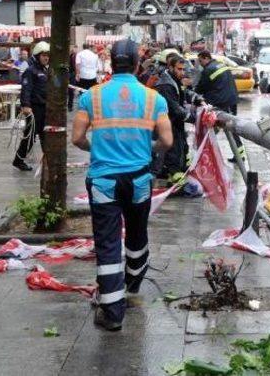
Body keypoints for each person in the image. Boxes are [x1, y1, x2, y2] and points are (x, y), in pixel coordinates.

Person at [71, 39, 173, 331]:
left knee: (107, 242)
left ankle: (112, 313)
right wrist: (145, 148)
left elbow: (77, 138)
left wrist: (98, 149)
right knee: (137, 234)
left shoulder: (92, 96)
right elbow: (167, 141)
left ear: (111, 64)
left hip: (104, 180)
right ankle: (133, 283)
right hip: (140, 179)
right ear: (138, 64)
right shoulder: (154, 98)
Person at [155, 55, 203, 186]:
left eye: (183, 69)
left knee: (181, 147)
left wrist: (197, 99)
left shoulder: (174, 80)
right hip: (168, 123)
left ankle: (176, 176)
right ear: (170, 67)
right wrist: (195, 118)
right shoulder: (166, 85)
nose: (182, 72)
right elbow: (174, 108)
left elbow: (185, 92)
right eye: (179, 69)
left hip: (175, 122)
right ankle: (175, 177)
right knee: (173, 150)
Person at [195, 50, 245, 163]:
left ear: (206, 57)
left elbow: (201, 87)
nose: (200, 63)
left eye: (200, 60)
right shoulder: (221, 64)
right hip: (232, 99)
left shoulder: (208, 70)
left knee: (211, 127)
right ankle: (239, 154)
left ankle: (205, 155)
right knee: (231, 126)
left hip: (221, 102)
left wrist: (193, 94)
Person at [13, 41, 50, 172]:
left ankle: (49, 161)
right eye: (43, 55)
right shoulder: (31, 71)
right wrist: (26, 106)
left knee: (46, 136)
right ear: (37, 56)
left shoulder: (45, 70)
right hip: (34, 109)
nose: (46, 57)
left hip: (45, 108)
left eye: (47, 55)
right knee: (30, 137)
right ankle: (18, 160)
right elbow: (26, 89)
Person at [68, 45, 78, 112]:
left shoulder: (74, 56)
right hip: (66, 74)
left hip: (72, 74)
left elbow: (75, 66)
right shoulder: (69, 56)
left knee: (71, 90)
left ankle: (70, 105)